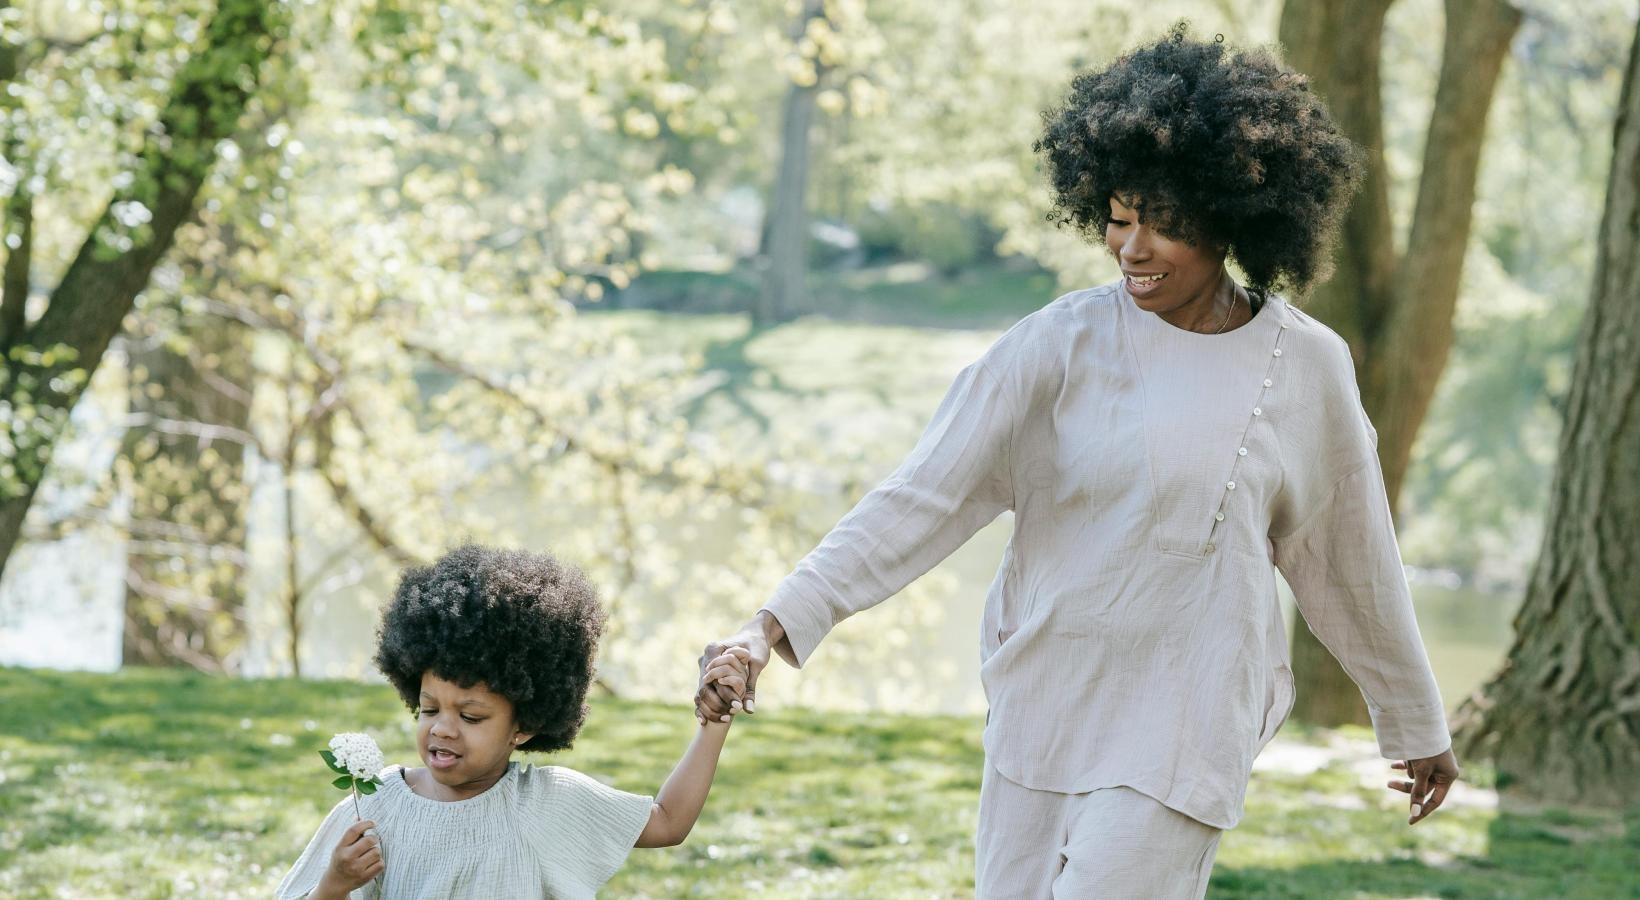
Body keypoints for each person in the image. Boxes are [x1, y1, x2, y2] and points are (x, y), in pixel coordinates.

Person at [695, 24, 1460, 899]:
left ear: (1233, 215)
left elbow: (1351, 554)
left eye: (1163, 225)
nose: (1132, 249)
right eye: (1119, 218)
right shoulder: (1057, 343)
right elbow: (921, 498)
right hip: (1044, 702)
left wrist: (1411, 717)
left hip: (1189, 719)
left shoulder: (1307, 365)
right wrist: (769, 627)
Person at [276, 544, 748, 900]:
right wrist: (334, 886)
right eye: (430, 709)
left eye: (471, 715)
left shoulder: (545, 803)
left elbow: (667, 823)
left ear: (524, 726)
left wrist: (715, 720)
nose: (442, 728)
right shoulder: (374, 805)